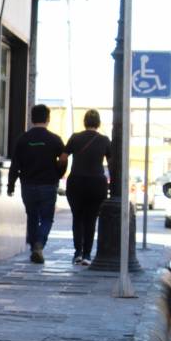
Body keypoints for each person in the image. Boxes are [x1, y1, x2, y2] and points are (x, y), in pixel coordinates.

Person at [7, 104, 66, 264]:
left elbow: (15, 164)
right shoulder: (54, 139)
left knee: (32, 216)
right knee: (47, 218)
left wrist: (11, 185)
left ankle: (34, 246)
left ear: (32, 118)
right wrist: (58, 174)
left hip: (28, 185)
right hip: (48, 184)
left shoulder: (23, 139)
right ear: (47, 119)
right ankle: (39, 244)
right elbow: (63, 158)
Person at [59, 109, 112, 265]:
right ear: (98, 123)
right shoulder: (104, 140)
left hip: (76, 182)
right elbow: (111, 164)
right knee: (91, 219)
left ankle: (78, 253)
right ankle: (88, 255)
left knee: (78, 217)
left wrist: (60, 171)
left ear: (85, 122)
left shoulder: (75, 138)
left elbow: (62, 158)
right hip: (97, 183)